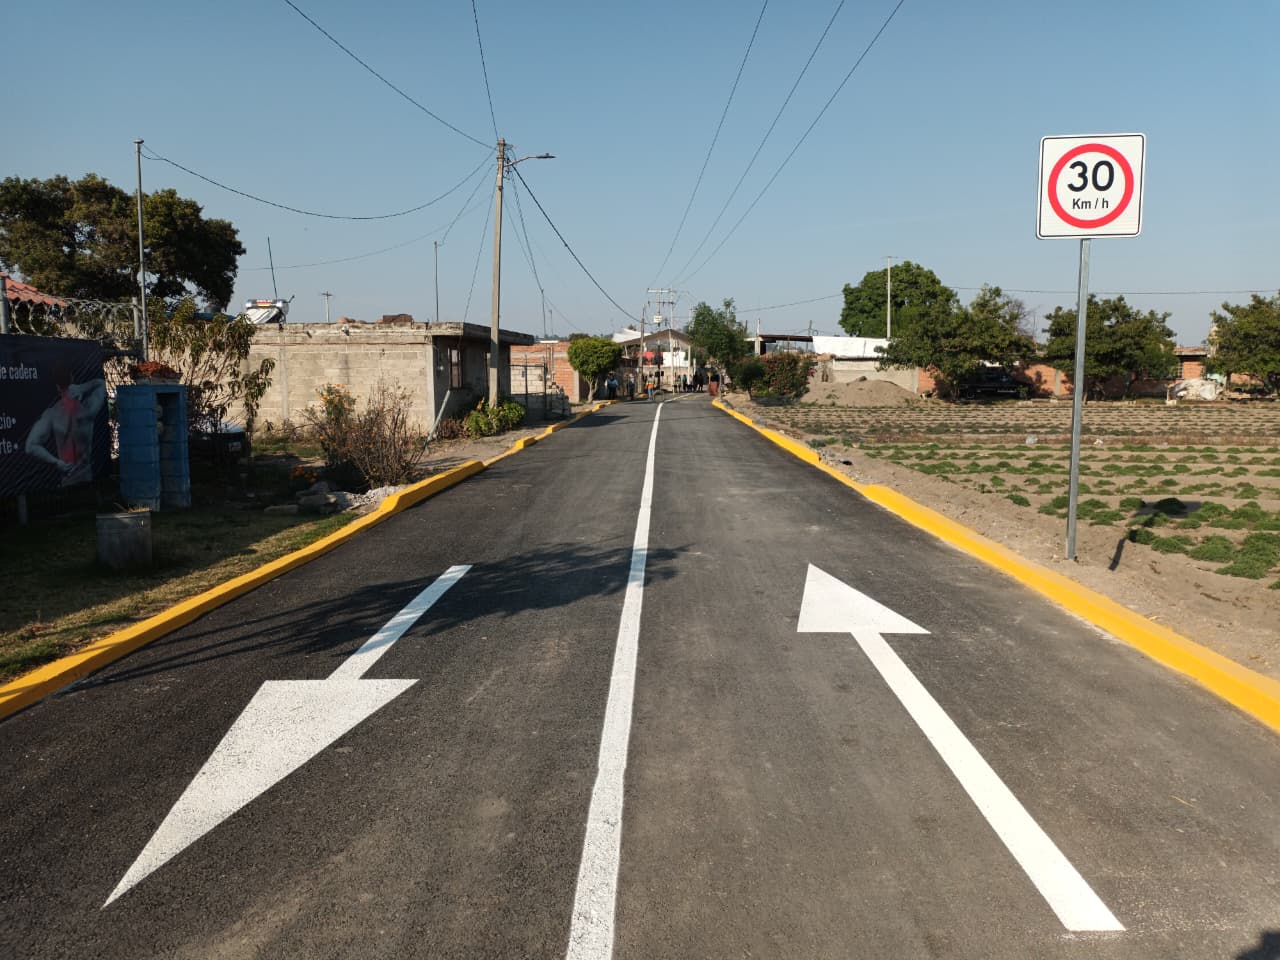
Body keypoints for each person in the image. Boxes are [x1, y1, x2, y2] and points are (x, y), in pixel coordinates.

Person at [24, 368, 106, 486]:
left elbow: (30, 446)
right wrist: (81, 387)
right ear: (72, 379)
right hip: (87, 476)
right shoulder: (87, 409)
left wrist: (57, 462)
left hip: (68, 480)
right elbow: (101, 383)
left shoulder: (51, 414)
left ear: (57, 387)